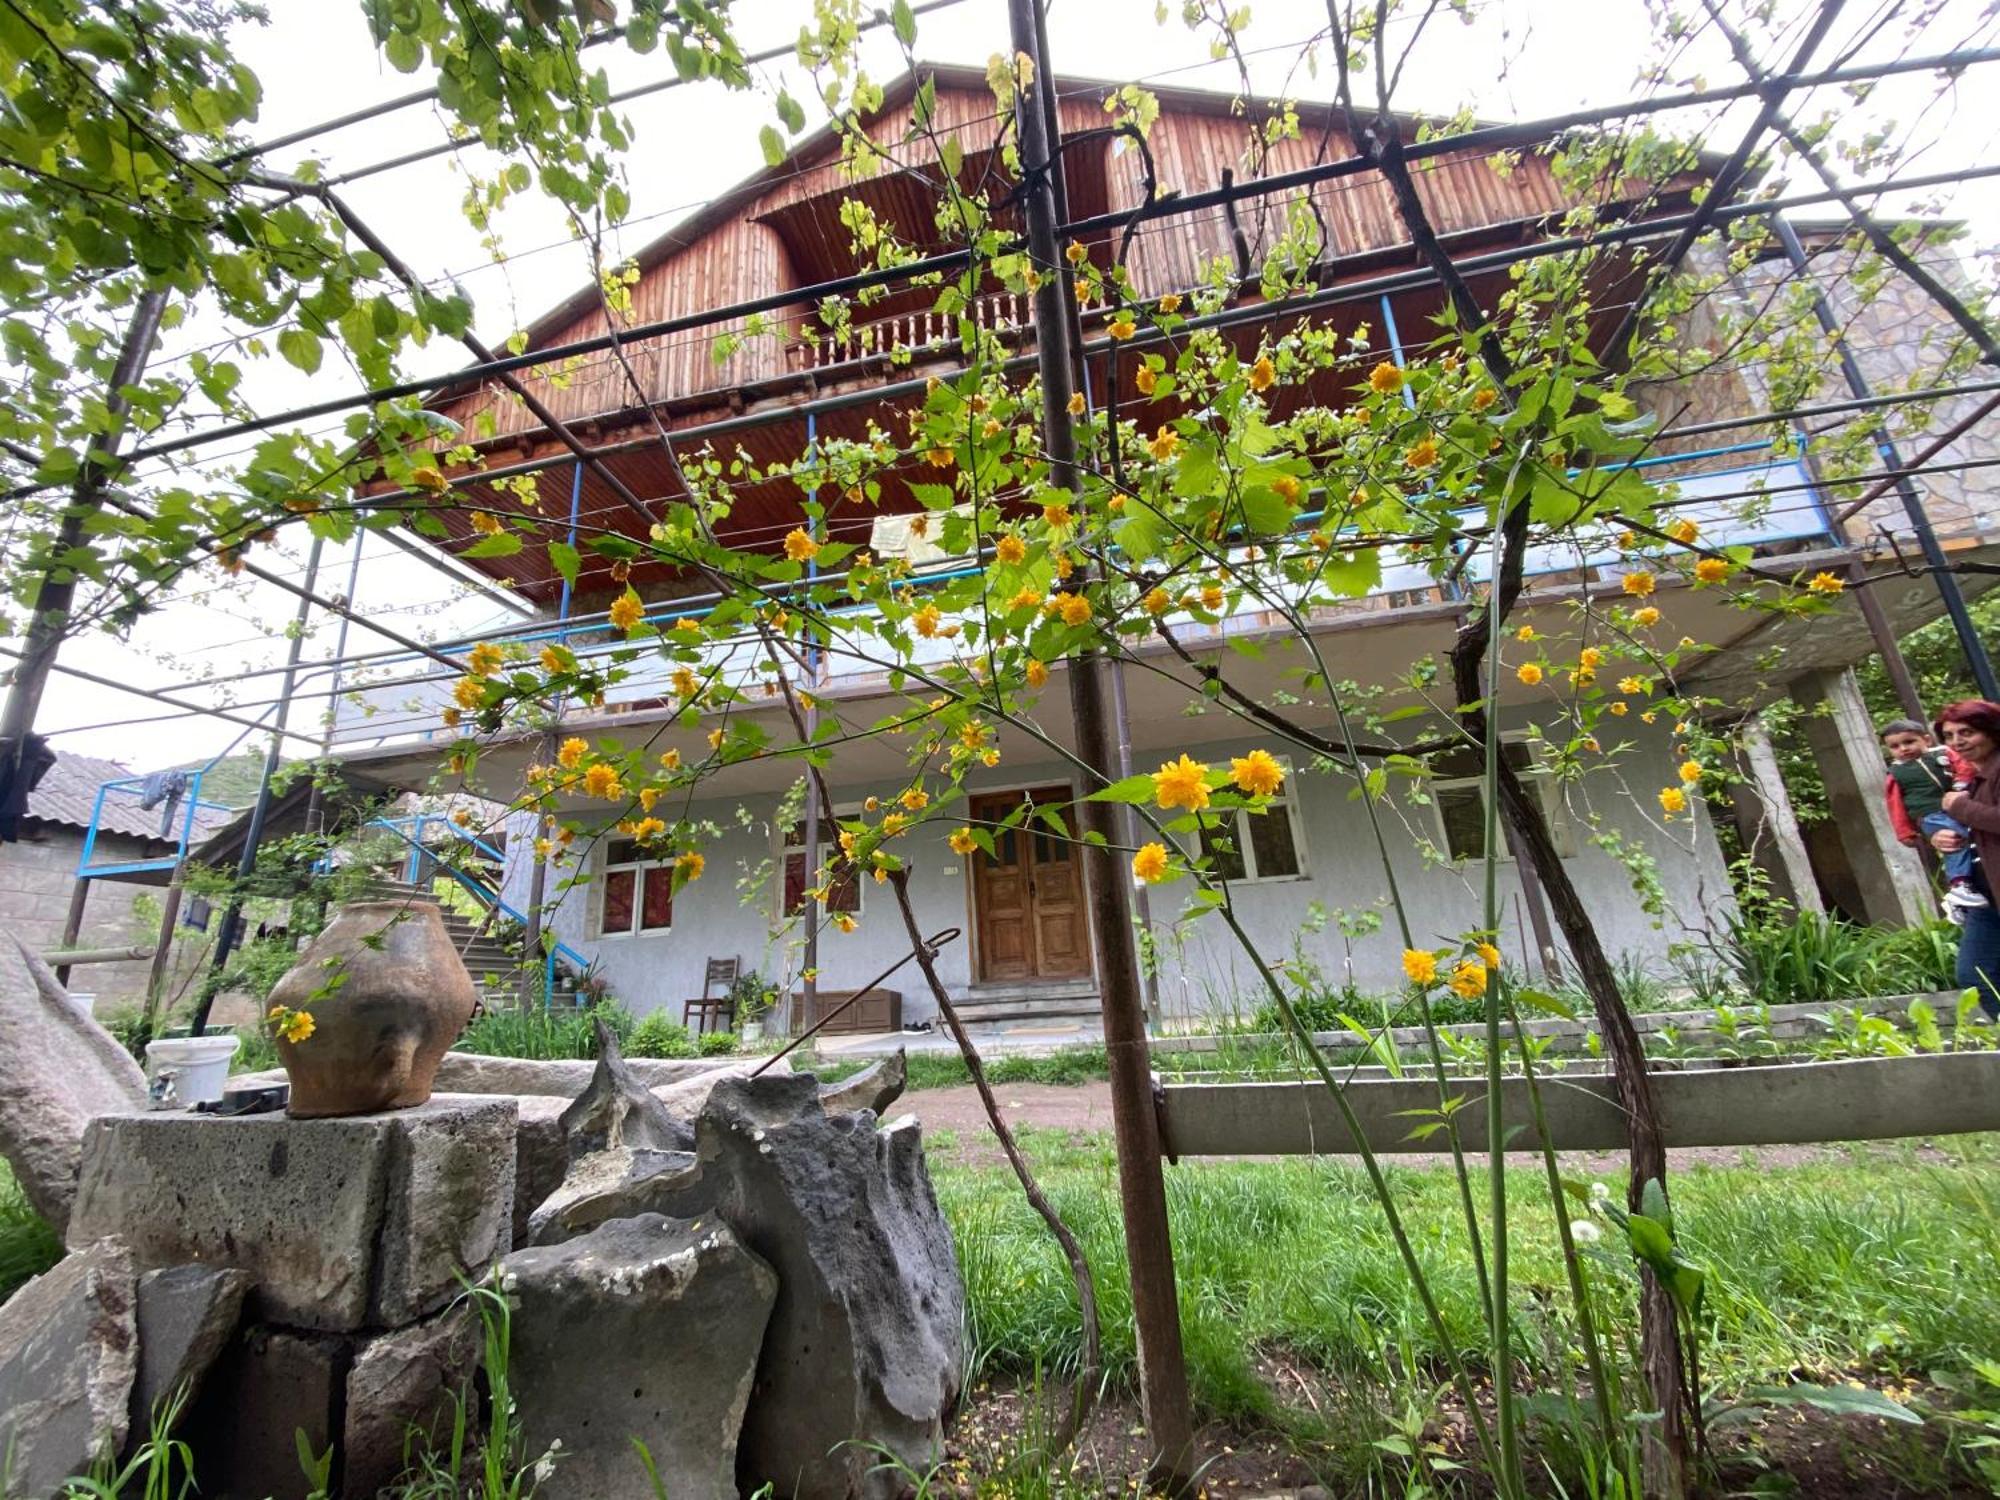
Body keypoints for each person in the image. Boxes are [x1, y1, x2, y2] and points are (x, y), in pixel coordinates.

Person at [1929, 700, 2000, 1018]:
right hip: (1984, 898)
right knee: (1975, 976)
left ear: (1992, 732)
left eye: (1967, 732)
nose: (1957, 742)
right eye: (1949, 735)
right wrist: (1948, 837)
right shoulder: (1974, 780)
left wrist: (1958, 807)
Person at [1880, 717, 1986, 920]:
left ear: (1926, 740)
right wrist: (1905, 832)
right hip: (1931, 814)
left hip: (1956, 805)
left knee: (1965, 836)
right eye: (1895, 746)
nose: (1903, 749)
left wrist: (1960, 785)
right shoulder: (1896, 773)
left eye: (1909, 742)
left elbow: (1965, 767)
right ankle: (1960, 885)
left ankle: (1961, 896)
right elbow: (1896, 805)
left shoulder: (1943, 754)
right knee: (1955, 839)